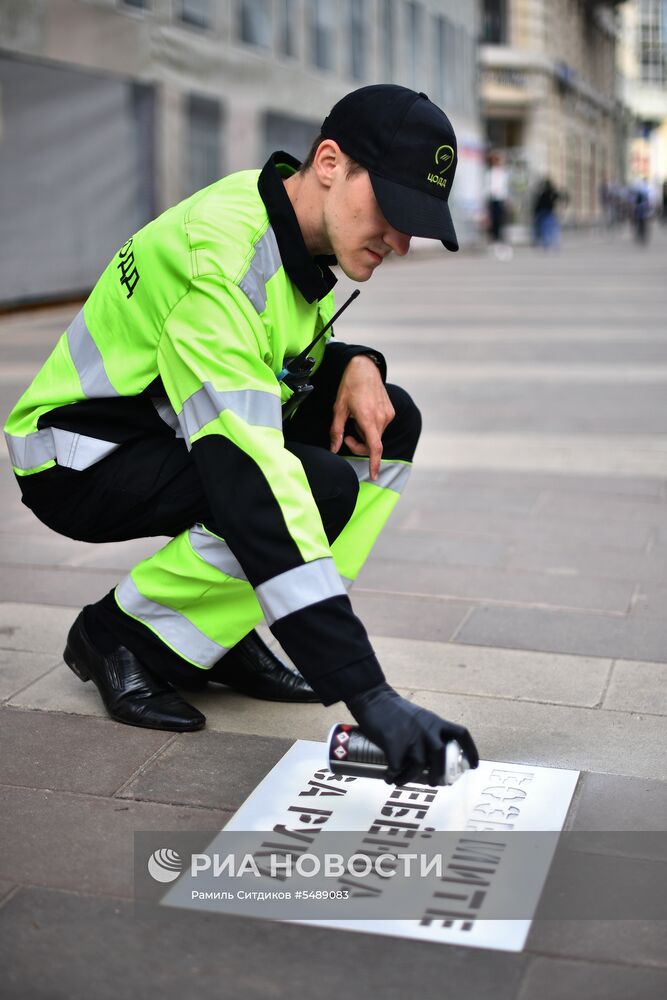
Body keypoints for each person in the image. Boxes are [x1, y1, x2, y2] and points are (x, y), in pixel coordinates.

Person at [4, 85, 479, 786]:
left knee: (387, 423)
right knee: (306, 487)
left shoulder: (283, 225)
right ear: (328, 162)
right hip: (78, 456)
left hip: (161, 430)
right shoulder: (224, 255)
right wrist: (365, 691)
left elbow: (270, 357)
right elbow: (251, 474)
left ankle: (208, 633)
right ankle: (116, 637)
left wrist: (352, 363)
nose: (400, 242)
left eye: (417, 223)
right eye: (392, 210)